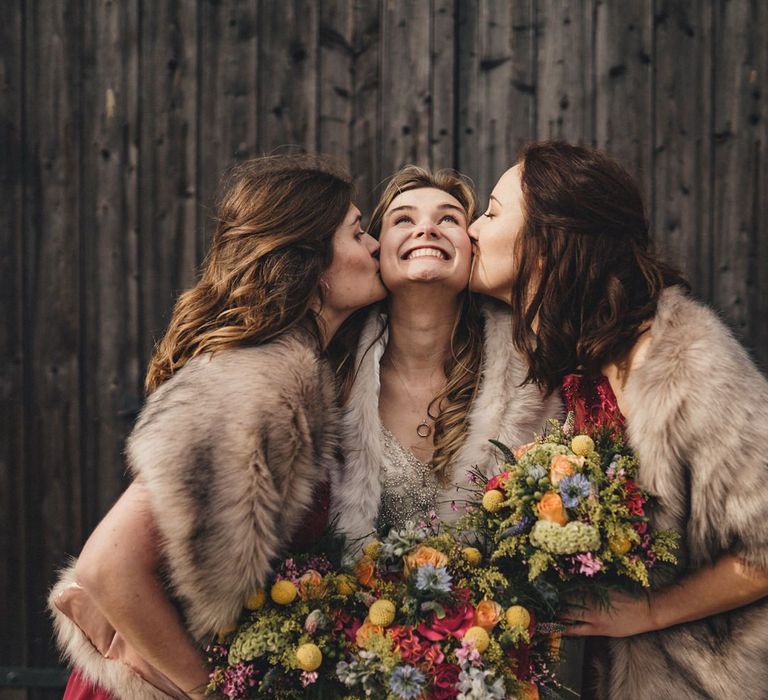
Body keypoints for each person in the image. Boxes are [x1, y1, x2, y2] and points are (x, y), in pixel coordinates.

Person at [49, 154, 385, 700]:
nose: (373, 246)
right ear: (312, 261)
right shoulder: (259, 379)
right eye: (357, 232)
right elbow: (108, 565)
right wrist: (213, 693)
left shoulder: (291, 370)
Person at [468, 140, 768, 699]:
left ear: (549, 238)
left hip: (709, 679)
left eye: (491, 211)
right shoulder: (573, 358)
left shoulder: (686, 366)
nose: (473, 229)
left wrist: (652, 609)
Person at [330, 165, 561, 544]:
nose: (426, 229)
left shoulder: (535, 377)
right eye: (403, 220)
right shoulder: (331, 370)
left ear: (474, 249)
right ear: (374, 249)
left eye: (449, 219)